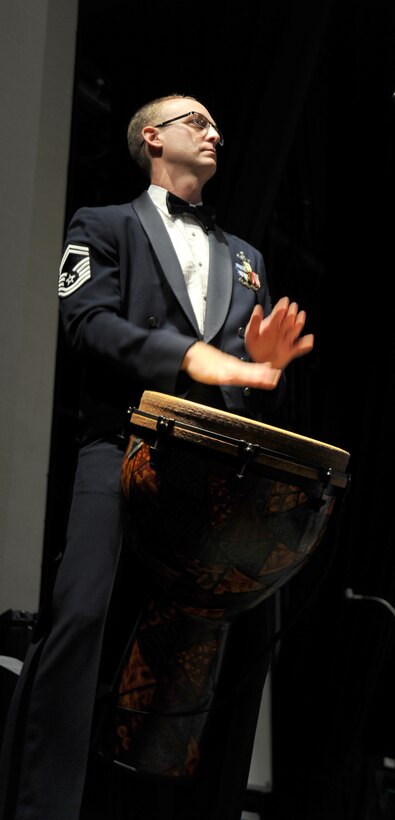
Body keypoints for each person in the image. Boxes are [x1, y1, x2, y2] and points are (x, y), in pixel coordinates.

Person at [0, 93, 314, 820]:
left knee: (230, 640)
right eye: (196, 121)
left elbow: (243, 375)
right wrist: (197, 359)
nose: (215, 132)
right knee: (81, 620)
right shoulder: (101, 226)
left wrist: (261, 371)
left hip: (214, 471)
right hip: (122, 444)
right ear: (152, 137)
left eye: (215, 124)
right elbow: (88, 325)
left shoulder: (247, 260)